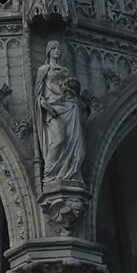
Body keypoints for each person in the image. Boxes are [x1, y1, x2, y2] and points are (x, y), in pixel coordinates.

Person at [35, 39, 85, 188]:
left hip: (70, 105)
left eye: (58, 48)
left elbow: (73, 88)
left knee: (77, 145)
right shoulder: (43, 69)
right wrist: (44, 104)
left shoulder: (65, 71)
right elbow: (38, 93)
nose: (57, 51)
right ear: (49, 51)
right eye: (54, 48)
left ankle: (70, 173)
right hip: (53, 107)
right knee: (58, 139)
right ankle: (50, 174)